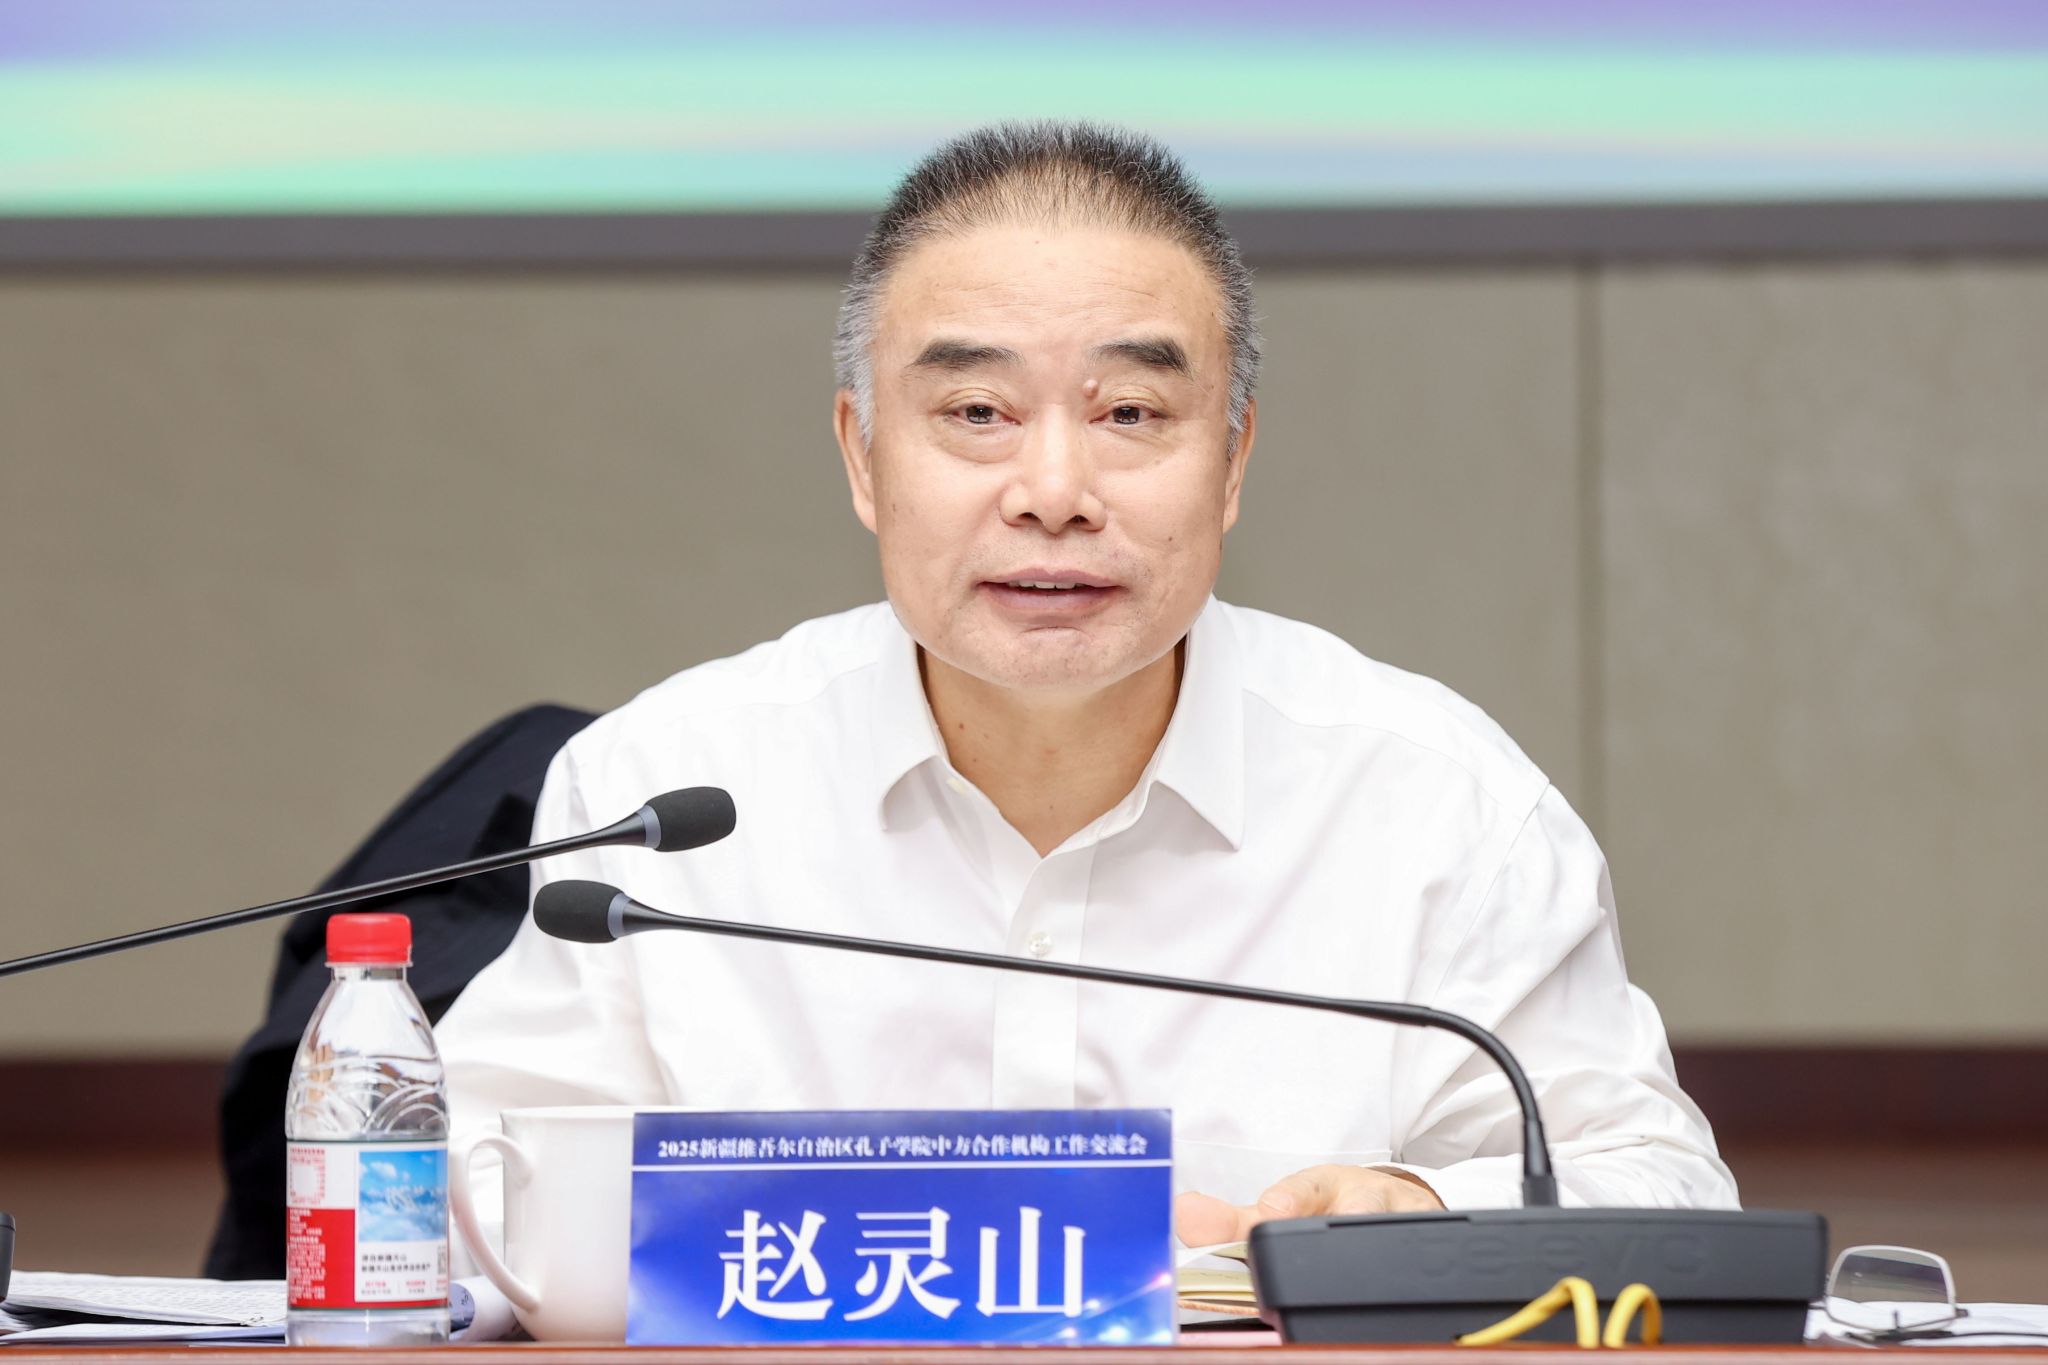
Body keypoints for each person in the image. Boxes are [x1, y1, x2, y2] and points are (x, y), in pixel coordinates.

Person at [435, 121, 1737, 1256]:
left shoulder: (1439, 808)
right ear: (863, 458)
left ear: (1232, 460)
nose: (1054, 492)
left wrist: (1423, 1207)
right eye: (977, 413)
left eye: (1130, 416)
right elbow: (471, 1204)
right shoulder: (664, 794)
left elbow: (1660, 1192)